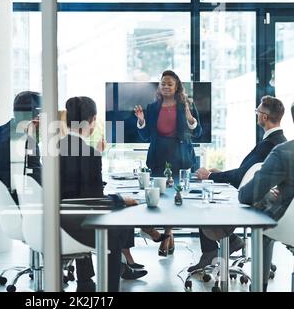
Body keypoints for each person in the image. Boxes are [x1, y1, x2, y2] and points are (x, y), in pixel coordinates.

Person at [189, 96, 287, 272]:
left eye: (257, 111)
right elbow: (248, 172)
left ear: (264, 117)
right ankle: (230, 241)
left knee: (205, 206)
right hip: (265, 200)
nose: (256, 114)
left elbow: (242, 176)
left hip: (255, 203)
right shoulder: (281, 141)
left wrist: (210, 175)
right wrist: (219, 173)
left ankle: (215, 250)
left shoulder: (269, 145)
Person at [60, 96, 147, 292]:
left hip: (57, 223)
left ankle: (86, 281)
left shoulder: (54, 148)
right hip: (78, 226)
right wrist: (120, 199)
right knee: (120, 225)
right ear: (92, 120)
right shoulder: (90, 155)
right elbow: (96, 202)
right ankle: (110, 288)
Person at [134, 70, 202, 256]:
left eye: (169, 83)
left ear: (177, 86)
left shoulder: (186, 105)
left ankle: (167, 234)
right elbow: (146, 135)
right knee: (160, 198)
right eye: (163, 83)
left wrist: (189, 116)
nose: (165, 86)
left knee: (174, 198)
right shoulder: (153, 107)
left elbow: (198, 132)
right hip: (158, 157)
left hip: (180, 157)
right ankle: (167, 236)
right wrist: (141, 121)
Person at [238, 102, 294, 292]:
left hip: (289, 226)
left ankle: (259, 287)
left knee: (262, 226)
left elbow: (247, 195)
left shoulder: (284, 152)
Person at [0, 91, 42, 204]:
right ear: (35, 117)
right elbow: (37, 182)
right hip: (24, 205)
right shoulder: (27, 141)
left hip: (6, 203)